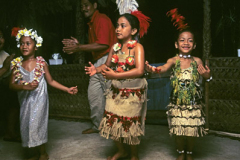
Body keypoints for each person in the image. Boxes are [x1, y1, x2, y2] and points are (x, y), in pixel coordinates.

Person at [85, 11, 150, 160]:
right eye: (117, 26)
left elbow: (139, 70)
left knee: (130, 124)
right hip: (116, 91)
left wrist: (115, 76)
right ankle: (121, 150)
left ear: (133, 31)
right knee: (112, 121)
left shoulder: (137, 48)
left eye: (123, 26)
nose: (118, 29)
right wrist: (96, 69)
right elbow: (107, 65)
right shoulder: (114, 48)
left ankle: (134, 154)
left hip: (133, 92)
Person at [9, 28, 78, 160]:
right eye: (22, 43)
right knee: (26, 124)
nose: (24, 46)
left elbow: (51, 81)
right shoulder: (17, 64)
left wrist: (67, 89)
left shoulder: (41, 62)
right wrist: (25, 87)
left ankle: (42, 153)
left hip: (39, 100)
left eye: (28, 43)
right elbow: (11, 85)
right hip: (25, 101)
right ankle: (33, 153)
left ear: (36, 46)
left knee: (37, 124)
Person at [145, 29, 211, 160]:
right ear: (176, 44)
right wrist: (154, 70)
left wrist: (206, 75)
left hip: (194, 104)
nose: (186, 43)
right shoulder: (174, 60)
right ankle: (181, 152)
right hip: (177, 104)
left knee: (191, 130)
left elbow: (207, 76)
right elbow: (163, 68)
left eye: (190, 40)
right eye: (182, 40)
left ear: (195, 45)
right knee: (179, 130)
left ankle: (190, 153)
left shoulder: (197, 61)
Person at [62, 0, 117, 134]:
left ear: (95, 5)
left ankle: (115, 127)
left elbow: (104, 45)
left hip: (108, 61)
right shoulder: (92, 22)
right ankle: (98, 126)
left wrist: (78, 47)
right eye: (81, 6)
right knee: (94, 95)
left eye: (86, 5)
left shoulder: (102, 19)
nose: (83, 8)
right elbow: (97, 44)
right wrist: (79, 44)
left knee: (111, 96)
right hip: (97, 62)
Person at [0, 28, 20, 142]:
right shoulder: (5, 60)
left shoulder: (4, 55)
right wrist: (5, 67)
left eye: (1, 37)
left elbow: (7, 78)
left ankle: (10, 132)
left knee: (12, 95)